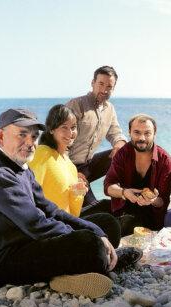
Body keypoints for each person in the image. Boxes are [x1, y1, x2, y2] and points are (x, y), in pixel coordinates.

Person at [0, 108, 141, 297]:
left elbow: (51, 210)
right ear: (1, 136)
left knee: (107, 225)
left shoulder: (20, 167)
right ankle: (72, 273)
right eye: (22, 135)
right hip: (2, 261)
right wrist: (90, 237)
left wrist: (96, 231)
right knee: (91, 244)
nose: (30, 143)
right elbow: (36, 224)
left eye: (33, 137)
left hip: (26, 240)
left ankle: (82, 266)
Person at [28, 104, 109, 216]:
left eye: (73, 127)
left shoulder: (70, 165)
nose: (70, 133)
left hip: (67, 223)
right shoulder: (42, 154)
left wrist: (78, 193)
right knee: (107, 220)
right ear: (51, 129)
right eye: (64, 127)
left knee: (106, 207)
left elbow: (74, 212)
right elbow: (29, 196)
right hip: (49, 224)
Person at [66, 66, 127, 207]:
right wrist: (70, 171)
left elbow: (115, 132)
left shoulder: (109, 109)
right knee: (94, 208)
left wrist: (120, 144)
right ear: (92, 83)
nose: (104, 90)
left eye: (109, 86)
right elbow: (60, 141)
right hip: (70, 166)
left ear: (114, 88)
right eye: (101, 84)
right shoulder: (76, 104)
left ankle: (125, 198)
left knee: (126, 153)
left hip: (89, 164)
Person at [104, 114, 171, 234]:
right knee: (93, 216)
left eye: (147, 133)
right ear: (129, 132)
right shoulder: (122, 154)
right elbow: (108, 186)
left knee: (124, 225)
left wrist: (153, 200)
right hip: (123, 209)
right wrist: (124, 192)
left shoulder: (165, 161)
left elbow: (163, 201)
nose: (142, 138)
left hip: (151, 218)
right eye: (137, 132)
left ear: (154, 134)